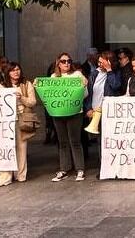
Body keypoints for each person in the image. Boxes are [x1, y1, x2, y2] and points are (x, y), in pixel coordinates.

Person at [0, 62, 36, 186]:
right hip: (6, 120)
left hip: (21, 118)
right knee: (6, 147)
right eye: (12, 70)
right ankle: (5, 176)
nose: (16, 72)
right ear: (7, 72)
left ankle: (20, 175)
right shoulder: (1, 86)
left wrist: (21, 98)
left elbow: (33, 102)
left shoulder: (26, 84)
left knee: (21, 147)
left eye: (17, 69)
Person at [50, 52, 88, 182]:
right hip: (59, 112)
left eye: (69, 61)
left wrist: (83, 85)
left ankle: (80, 169)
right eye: (63, 61)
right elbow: (49, 95)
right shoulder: (53, 77)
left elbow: (85, 94)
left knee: (75, 141)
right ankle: (64, 168)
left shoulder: (77, 75)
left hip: (75, 112)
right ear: (58, 63)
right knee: (62, 142)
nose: (67, 63)